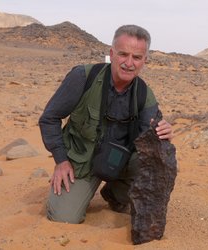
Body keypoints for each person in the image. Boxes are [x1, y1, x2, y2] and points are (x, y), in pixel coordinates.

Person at [39, 24, 173, 224]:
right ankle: (72, 193)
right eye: (123, 54)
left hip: (118, 161)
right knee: (64, 217)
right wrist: (61, 160)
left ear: (145, 60)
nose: (129, 63)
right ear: (111, 53)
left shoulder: (144, 94)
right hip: (81, 163)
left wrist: (163, 133)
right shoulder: (83, 77)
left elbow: (150, 140)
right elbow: (49, 118)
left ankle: (115, 194)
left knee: (156, 156)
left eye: (136, 57)